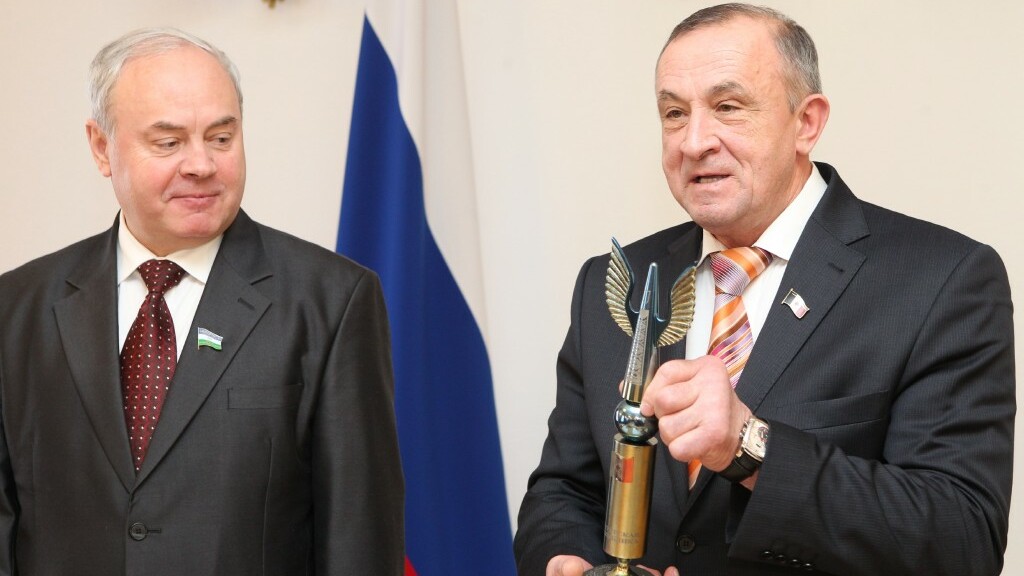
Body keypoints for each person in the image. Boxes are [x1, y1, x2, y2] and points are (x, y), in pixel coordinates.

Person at [514, 4, 1014, 576]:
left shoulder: (941, 280)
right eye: (674, 113)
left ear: (807, 122)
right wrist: (571, 564)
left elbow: (962, 537)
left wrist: (750, 447)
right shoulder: (617, 282)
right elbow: (562, 494)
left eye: (728, 107)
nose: (694, 141)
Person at [0, 28, 404, 575]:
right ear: (101, 147)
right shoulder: (17, 309)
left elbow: (359, 543)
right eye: (168, 143)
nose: (201, 164)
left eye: (221, 137)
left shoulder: (331, 303)